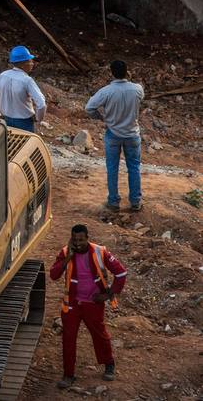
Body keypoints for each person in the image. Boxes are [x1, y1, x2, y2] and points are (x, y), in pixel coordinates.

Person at [50, 225, 126, 387]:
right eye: (75, 240)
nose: (78, 244)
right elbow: (53, 275)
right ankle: (68, 375)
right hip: (71, 305)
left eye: (81, 240)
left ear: (87, 238)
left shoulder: (100, 251)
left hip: (93, 303)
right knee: (68, 339)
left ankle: (109, 364)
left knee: (100, 335)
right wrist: (67, 259)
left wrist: (108, 294)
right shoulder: (65, 253)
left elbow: (121, 273)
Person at [86, 60, 144, 213]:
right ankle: (135, 201)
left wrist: (101, 117)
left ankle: (113, 201)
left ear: (111, 73)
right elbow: (139, 97)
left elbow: (89, 107)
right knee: (134, 168)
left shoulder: (106, 91)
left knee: (112, 168)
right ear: (127, 72)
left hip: (113, 133)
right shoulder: (137, 89)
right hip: (132, 133)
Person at [0, 45, 46, 131]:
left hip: (5, 121)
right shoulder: (27, 80)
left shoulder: (3, 75)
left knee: (9, 143)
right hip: (24, 123)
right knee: (24, 144)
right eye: (30, 61)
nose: (32, 63)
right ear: (23, 64)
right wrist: (39, 119)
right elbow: (41, 104)